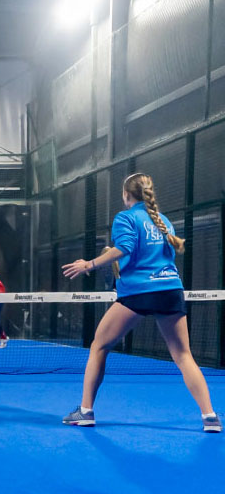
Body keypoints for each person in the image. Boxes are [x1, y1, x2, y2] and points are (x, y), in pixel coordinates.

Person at [61, 172, 221, 432]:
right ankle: (210, 417)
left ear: (126, 195)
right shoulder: (164, 221)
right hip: (170, 289)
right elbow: (166, 255)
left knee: (99, 346)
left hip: (138, 292)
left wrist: (89, 264)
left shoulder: (125, 217)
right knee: (183, 355)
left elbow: (124, 248)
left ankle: (86, 411)